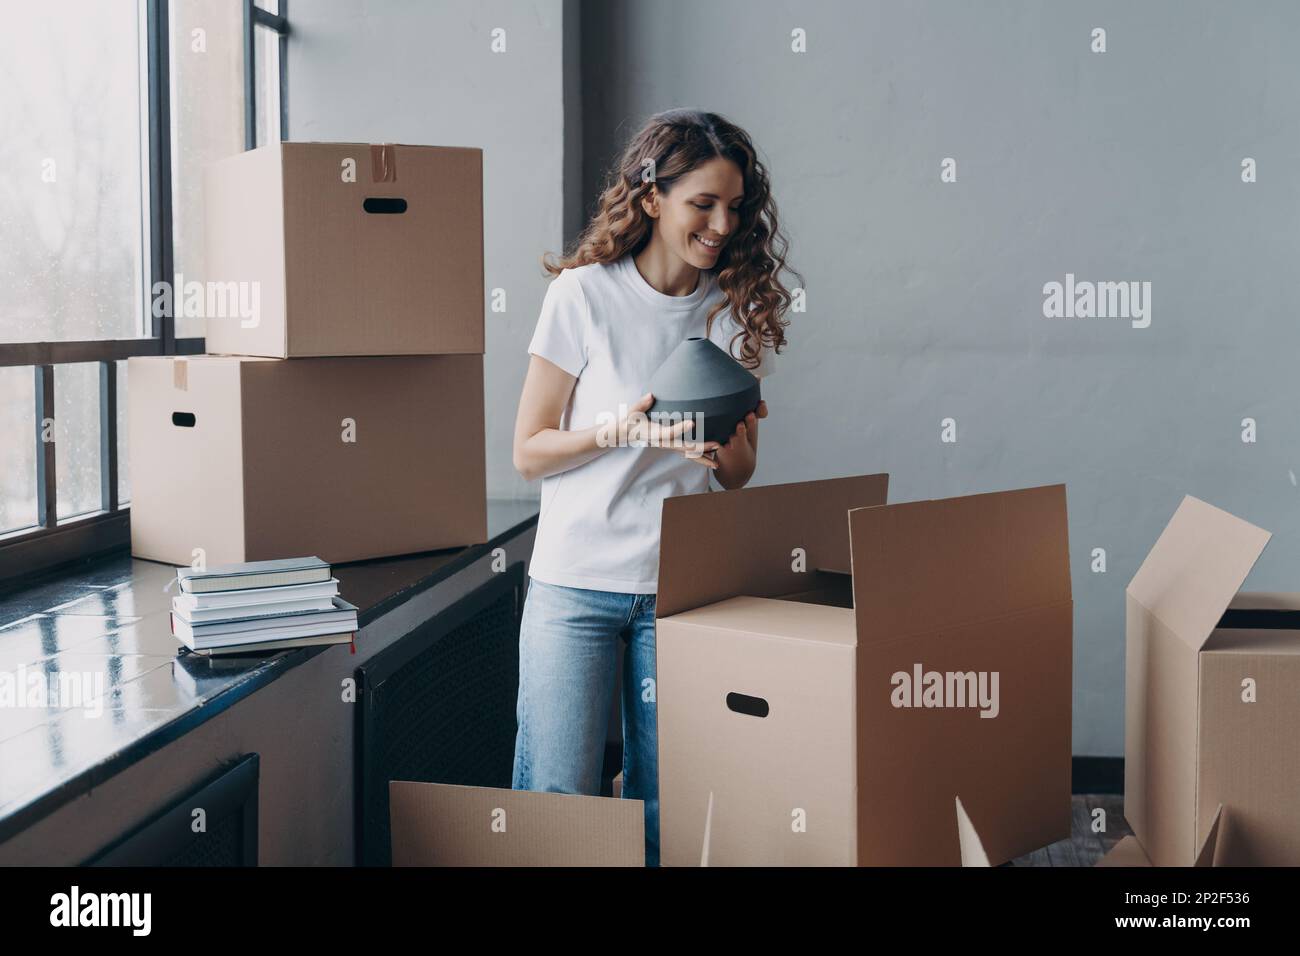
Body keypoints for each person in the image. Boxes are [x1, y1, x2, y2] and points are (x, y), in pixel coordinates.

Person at [510, 108, 799, 866]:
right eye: (702, 202)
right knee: (556, 799)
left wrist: (723, 447)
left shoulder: (730, 309)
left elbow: (741, 476)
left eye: (734, 206)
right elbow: (529, 452)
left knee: (668, 803)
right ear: (651, 199)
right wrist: (620, 430)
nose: (720, 223)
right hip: (573, 583)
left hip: (679, 586)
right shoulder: (582, 297)